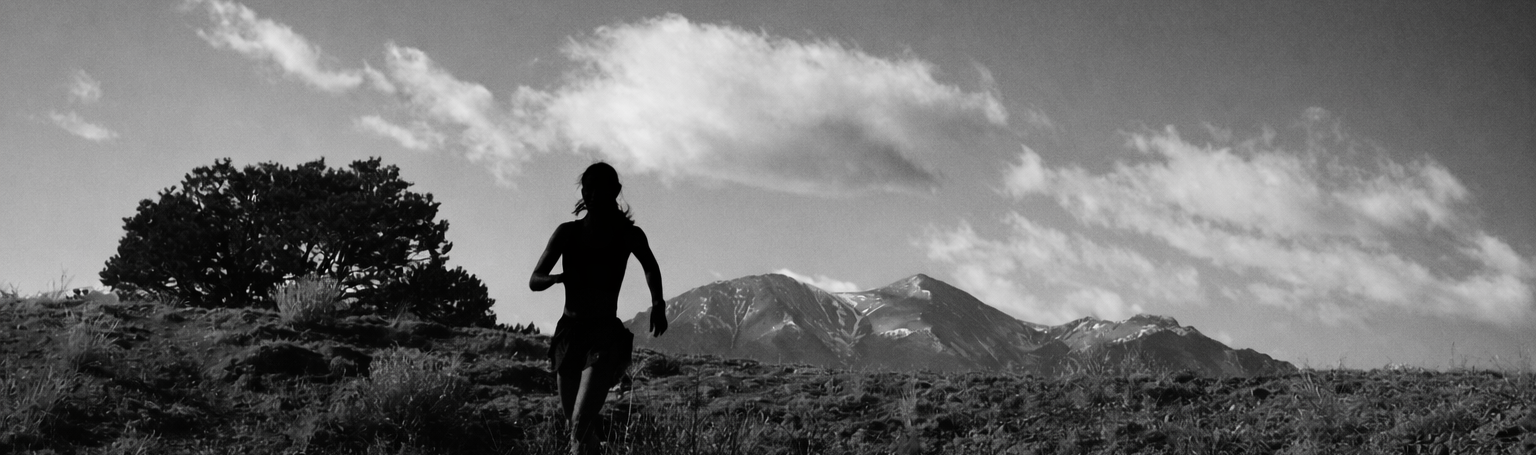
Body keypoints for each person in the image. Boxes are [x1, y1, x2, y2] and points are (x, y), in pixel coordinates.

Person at [530, 162, 668, 454]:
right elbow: (535, 279)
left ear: (615, 191)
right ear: (584, 192)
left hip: (604, 335)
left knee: (580, 424)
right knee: (577, 430)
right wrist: (558, 278)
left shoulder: (629, 235)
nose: (593, 194)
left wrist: (658, 303)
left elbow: (650, 266)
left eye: (600, 189)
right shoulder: (567, 233)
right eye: (588, 189)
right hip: (569, 334)